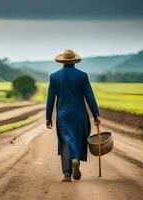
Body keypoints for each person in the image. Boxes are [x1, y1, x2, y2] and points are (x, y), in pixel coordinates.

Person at [46, 49, 101, 182]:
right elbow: (90, 96)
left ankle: (67, 173)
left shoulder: (54, 77)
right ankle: (76, 159)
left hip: (63, 116)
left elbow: (50, 99)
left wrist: (48, 117)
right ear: (74, 61)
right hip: (80, 115)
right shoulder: (82, 76)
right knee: (78, 139)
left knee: (65, 142)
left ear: (62, 62)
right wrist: (96, 114)